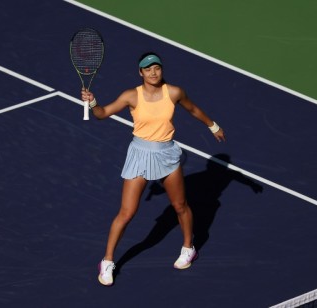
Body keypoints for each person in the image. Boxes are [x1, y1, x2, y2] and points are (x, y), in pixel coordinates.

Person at [81, 52, 225, 286]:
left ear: (161, 70)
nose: (153, 72)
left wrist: (213, 125)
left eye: (156, 68)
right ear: (141, 73)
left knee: (180, 205)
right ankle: (107, 261)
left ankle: (189, 248)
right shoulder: (131, 96)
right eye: (147, 69)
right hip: (139, 155)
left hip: (166, 155)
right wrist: (93, 103)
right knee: (126, 212)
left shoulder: (175, 92)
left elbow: (194, 110)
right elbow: (103, 114)